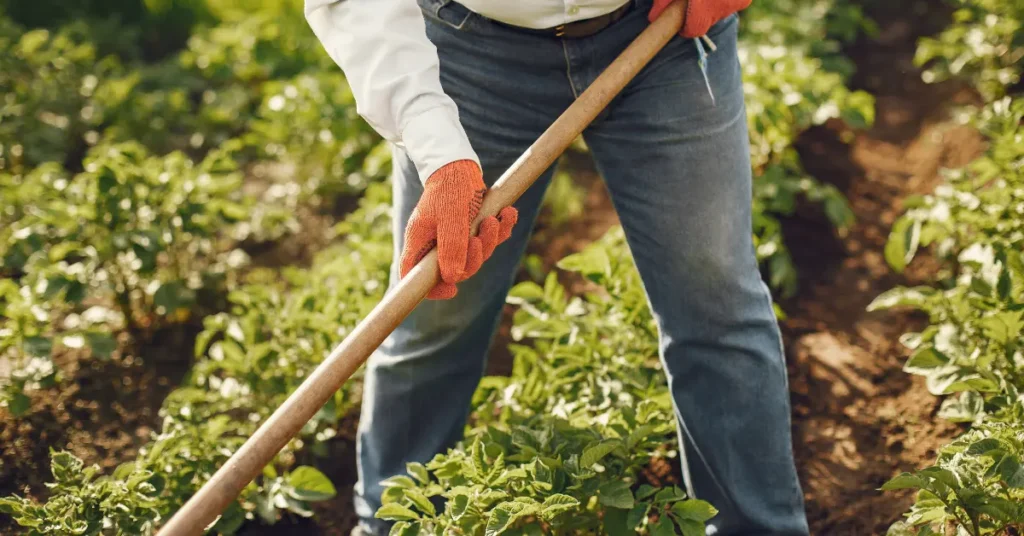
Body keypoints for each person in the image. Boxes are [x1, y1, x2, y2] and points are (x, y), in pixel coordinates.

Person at [303, 0, 809, 534]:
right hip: (472, 50)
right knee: (436, 310)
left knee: (715, 306)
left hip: (661, 33)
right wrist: (439, 151)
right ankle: (390, 524)